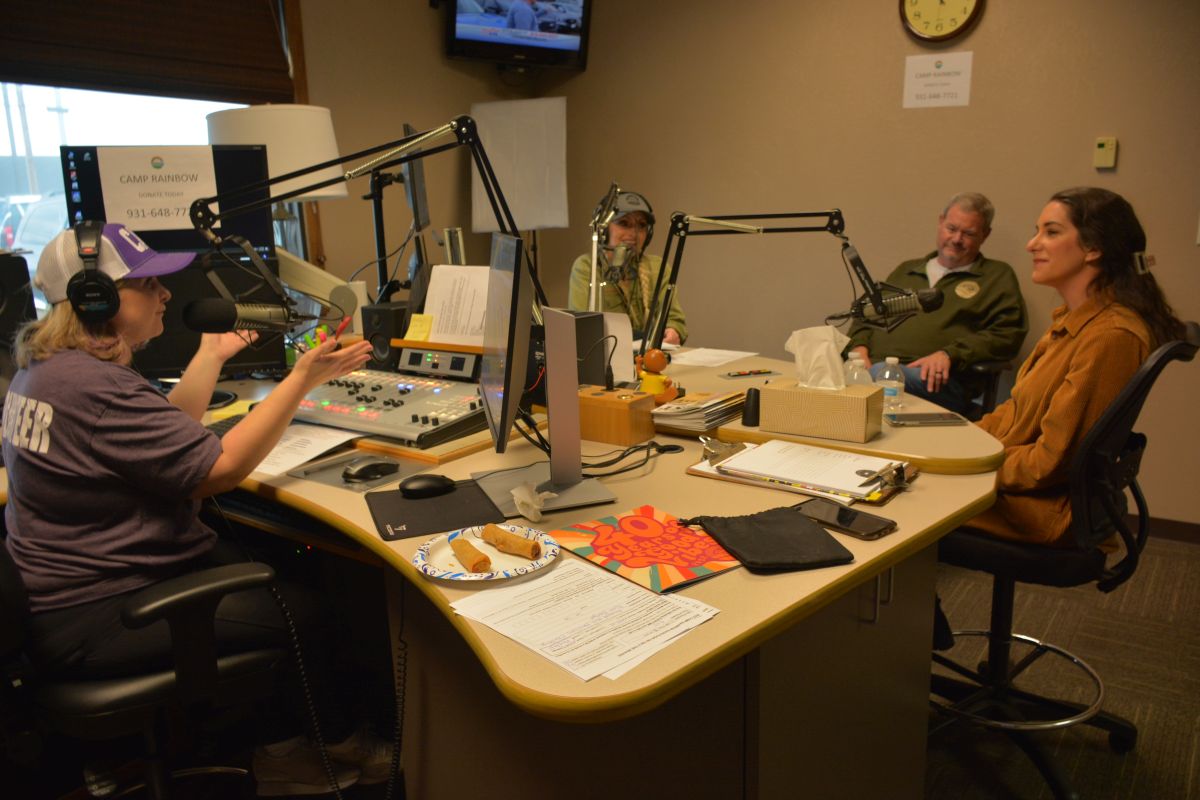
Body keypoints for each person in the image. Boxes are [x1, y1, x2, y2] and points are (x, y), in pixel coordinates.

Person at [1, 223, 388, 796]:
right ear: (95, 299)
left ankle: (276, 739)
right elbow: (219, 469)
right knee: (305, 610)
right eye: (147, 285)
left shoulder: (46, 371)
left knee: (263, 560)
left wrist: (210, 355)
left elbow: (169, 438)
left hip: (62, 599)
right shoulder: (96, 387)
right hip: (99, 613)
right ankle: (300, 755)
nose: (165, 294)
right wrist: (302, 379)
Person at [960, 187, 1184, 548]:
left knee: (900, 505)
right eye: (1037, 231)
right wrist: (956, 443)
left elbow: (1051, 462)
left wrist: (972, 467)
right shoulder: (1073, 321)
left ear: (1093, 248)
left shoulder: (1110, 336)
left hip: (1042, 510)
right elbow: (1016, 412)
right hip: (1016, 489)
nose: (1032, 244)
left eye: (1051, 232)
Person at [845, 192, 1028, 415]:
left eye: (968, 233)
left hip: (936, 381)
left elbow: (1008, 335)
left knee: (877, 376)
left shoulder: (996, 276)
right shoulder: (907, 270)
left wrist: (950, 354)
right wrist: (859, 349)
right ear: (941, 222)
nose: (957, 239)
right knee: (820, 368)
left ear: (985, 235)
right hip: (874, 368)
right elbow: (866, 315)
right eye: (952, 228)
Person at [567, 188, 688, 345]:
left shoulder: (658, 267)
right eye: (624, 223)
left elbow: (674, 320)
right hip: (607, 355)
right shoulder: (586, 267)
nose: (634, 233)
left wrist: (673, 331)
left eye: (642, 225)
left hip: (650, 356)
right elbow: (583, 328)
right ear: (604, 230)